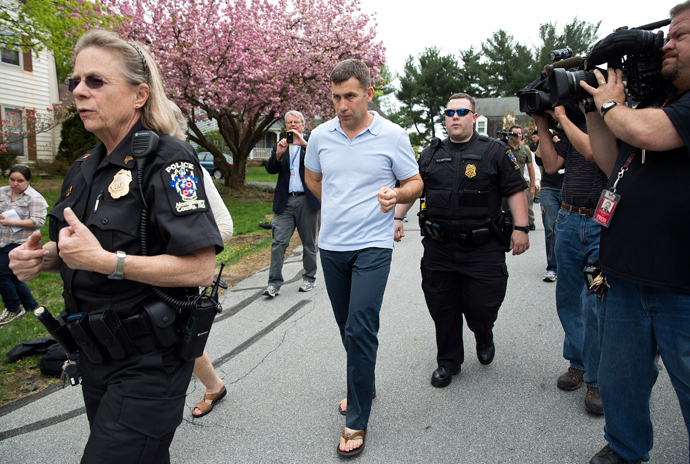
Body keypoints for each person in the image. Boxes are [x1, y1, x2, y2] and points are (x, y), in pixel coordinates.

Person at [9, 30, 223, 463]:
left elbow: (199, 268)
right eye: (75, 82)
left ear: (139, 94)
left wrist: (107, 262)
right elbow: (76, 252)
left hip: (151, 361)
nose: (79, 92)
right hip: (95, 356)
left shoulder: (170, 160)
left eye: (96, 81)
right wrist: (43, 258)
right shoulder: (83, 169)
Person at [581, 2, 690, 462]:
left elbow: (648, 133)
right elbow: (611, 162)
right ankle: (625, 449)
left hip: (682, 285)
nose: (666, 42)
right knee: (620, 378)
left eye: (679, 35)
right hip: (625, 275)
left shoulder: (665, 114)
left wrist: (613, 104)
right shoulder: (657, 101)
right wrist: (592, 101)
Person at [304, 59, 422, 458]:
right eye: (335, 97)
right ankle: (363, 378)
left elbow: (415, 183)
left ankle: (357, 416)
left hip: (373, 244)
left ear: (369, 93)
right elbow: (312, 178)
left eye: (350, 96)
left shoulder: (392, 135)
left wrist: (398, 197)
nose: (342, 105)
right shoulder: (320, 136)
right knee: (345, 324)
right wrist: (334, 205)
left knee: (359, 326)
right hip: (332, 246)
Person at [395, 93, 530, 389]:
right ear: (445, 118)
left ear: (472, 116)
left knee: (482, 305)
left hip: (482, 249)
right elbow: (414, 187)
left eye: (461, 111)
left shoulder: (495, 151)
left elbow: (514, 190)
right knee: (442, 306)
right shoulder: (431, 153)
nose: (454, 116)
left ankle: (484, 333)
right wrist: (396, 218)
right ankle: (448, 362)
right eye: (449, 112)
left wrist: (522, 227)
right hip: (439, 247)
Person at [532, 104, 608, 415]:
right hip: (567, 221)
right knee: (567, 298)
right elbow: (551, 166)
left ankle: (598, 378)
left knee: (595, 300)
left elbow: (591, 152)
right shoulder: (570, 125)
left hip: (602, 227)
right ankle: (577, 361)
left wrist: (562, 117)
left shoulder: (608, 120)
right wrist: (541, 122)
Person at [169, 101, 230, 418]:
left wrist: (190, 258)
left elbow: (225, 225)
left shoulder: (184, 171)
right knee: (179, 342)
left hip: (173, 281)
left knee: (180, 340)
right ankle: (214, 386)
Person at [263, 110, 320, 297]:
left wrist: (304, 145)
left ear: (303, 125)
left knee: (309, 243)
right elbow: (271, 169)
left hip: (306, 199)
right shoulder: (280, 145)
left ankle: (309, 278)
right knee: (278, 242)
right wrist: (278, 155)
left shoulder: (311, 144)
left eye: (296, 122)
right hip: (285, 201)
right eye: (289, 123)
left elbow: (320, 165)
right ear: (285, 126)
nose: (293, 125)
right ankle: (274, 284)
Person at [0, 165, 48, 324]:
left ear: (29, 181)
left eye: (20, 181)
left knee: (1, 275)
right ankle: (31, 306)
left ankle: (13, 308)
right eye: (12, 179)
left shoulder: (34, 198)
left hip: (19, 242)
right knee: (13, 277)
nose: (15, 183)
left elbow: (38, 221)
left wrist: (12, 222)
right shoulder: (3, 192)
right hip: (2, 240)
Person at [533, 130, 564, 282]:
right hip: (549, 188)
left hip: (569, 187)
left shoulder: (571, 133)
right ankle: (552, 268)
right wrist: (546, 136)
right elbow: (538, 158)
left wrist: (559, 140)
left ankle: (566, 266)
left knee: (566, 229)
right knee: (551, 229)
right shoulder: (547, 138)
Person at [506, 125, 536, 230]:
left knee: (527, 206)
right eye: (515, 133)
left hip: (522, 183)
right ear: (510, 135)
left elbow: (531, 168)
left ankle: (529, 222)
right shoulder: (504, 148)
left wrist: (532, 186)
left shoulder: (525, 150)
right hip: (507, 183)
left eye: (520, 133)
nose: (518, 136)